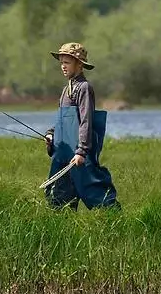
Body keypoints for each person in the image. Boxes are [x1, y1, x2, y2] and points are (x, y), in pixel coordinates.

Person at [44, 42, 119, 210]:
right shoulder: (65, 90)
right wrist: (51, 135)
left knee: (93, 189)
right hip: (63, 152)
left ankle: (112, 217)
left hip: (78, 154)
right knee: (58, 194)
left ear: (79, 65)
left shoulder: (84, 88)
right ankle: (65, 228)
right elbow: (62, 121)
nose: (63, 66)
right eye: (61, 62)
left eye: (67, 62)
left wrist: (81, 151)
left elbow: (86, 120)